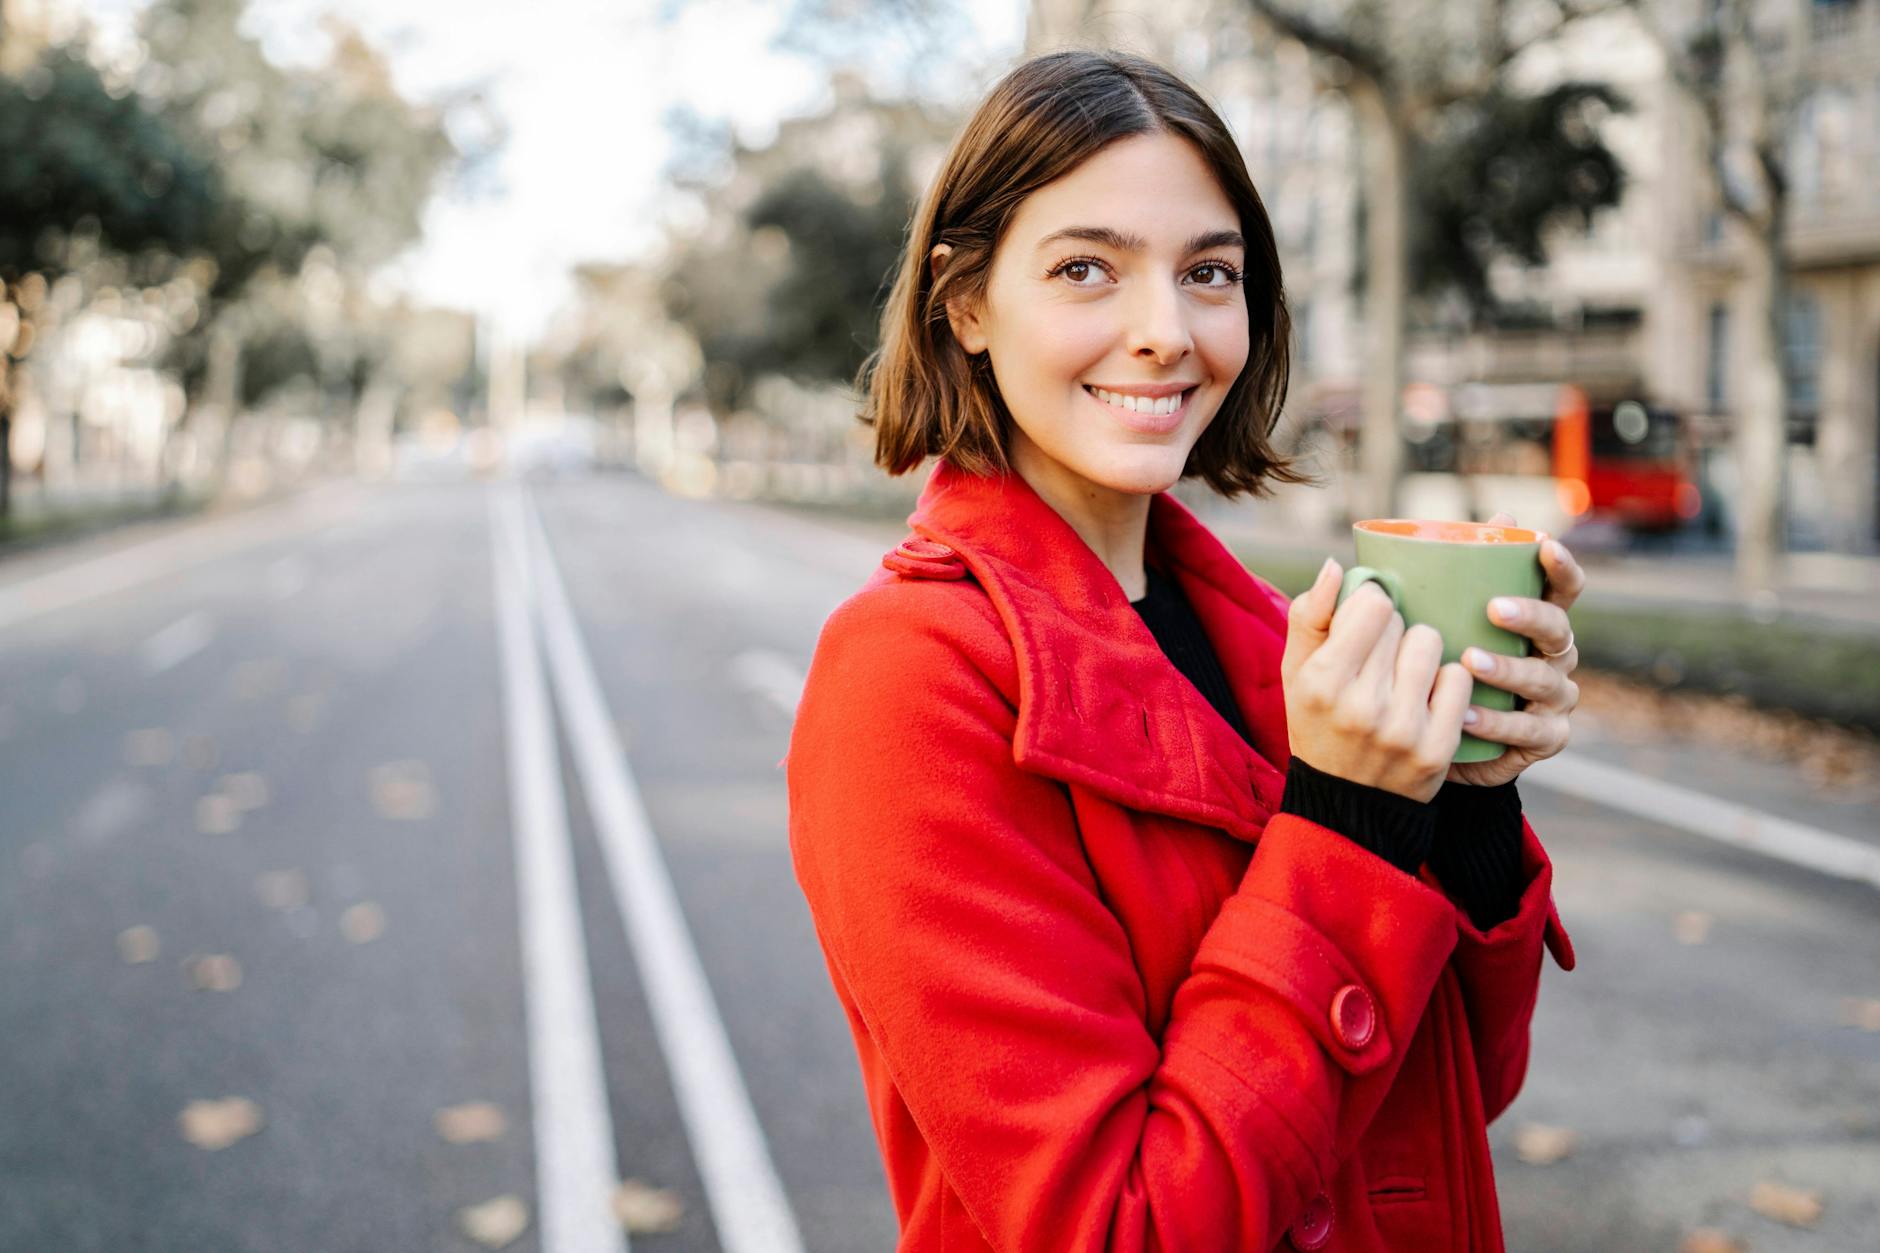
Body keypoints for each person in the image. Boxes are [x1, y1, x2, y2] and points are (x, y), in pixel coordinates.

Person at [785, 48, 1583, 1252]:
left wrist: (1463, 792)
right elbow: (1119, 1227)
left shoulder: (1266, 636)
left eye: (1207, 272)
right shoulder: (906, 678)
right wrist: (1348, 822)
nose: (1162, 332)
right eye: (1085, 269)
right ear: (966, 304)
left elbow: (1446, 1098)